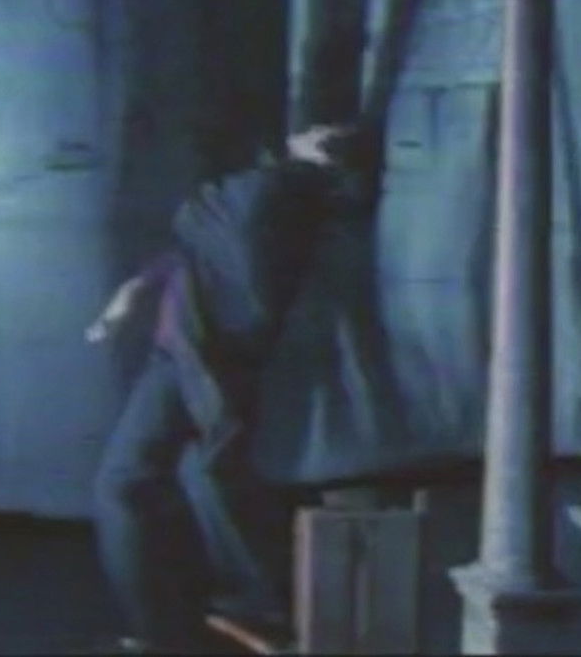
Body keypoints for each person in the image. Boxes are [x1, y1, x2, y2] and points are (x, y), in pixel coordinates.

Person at [86, 120, 380, 654]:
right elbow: (197, 247)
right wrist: (136, 289)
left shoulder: (278, 191)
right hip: (183, 352)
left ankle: (231, 613)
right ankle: (201, 617)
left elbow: (215, 235)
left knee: (154, 480)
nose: (304, 132)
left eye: (320, 133)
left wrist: (306, 165)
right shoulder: (276, 194)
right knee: (151, 480)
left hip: (200, 356)